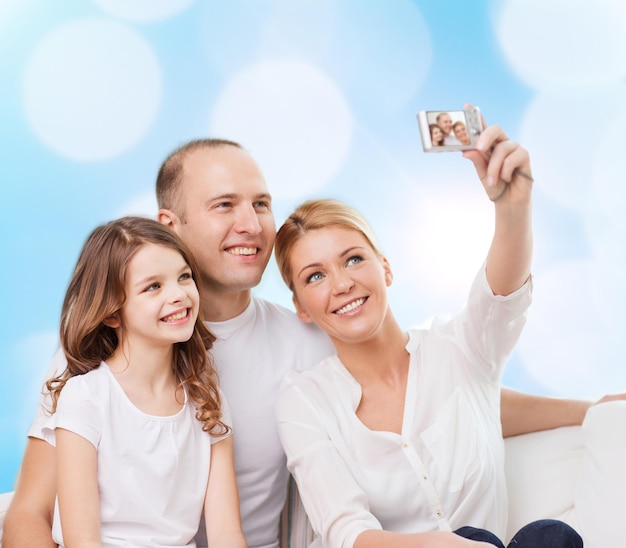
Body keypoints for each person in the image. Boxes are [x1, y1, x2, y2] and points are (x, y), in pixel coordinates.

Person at [4, 136, 618, 548]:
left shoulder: (308, 340)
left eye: (261, 203)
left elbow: (440, 391)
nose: (250, 224)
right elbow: (29, 514)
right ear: (172, 225)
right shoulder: (101, 359)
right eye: (224, 205)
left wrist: (588, 411)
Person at [272, 124, 582, 546]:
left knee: (549, 538)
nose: (341, 284)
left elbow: (501, 299)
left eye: (353, 259)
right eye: (315, 276)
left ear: (385, 268)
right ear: (301, 308)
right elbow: (347, 531)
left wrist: (513, 208)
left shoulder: (458, 351)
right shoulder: (305, 400)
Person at [40, 216, 246, 547]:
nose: (178, 294)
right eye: (153, 286)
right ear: (111, 313)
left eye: (184, 277)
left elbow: (226, 533)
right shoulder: (86, 397)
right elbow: (84, 541)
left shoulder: (207, 398)